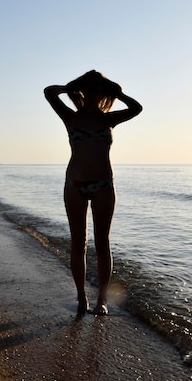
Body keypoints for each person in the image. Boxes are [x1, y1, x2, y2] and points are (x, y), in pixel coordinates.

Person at [44, 70, 142, 315]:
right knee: (78, 243)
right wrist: (71, 87)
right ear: (83, 90)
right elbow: (49, 92)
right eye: (88, 88)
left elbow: (137, 107)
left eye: (97, 89)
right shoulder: (70, 117)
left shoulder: (110, 119)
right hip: (74, 185)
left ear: (103, 93)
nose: (92, 93)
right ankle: (81, 298)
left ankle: (102, 301)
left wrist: (117, 92)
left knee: (102, 243)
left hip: (103, 185)